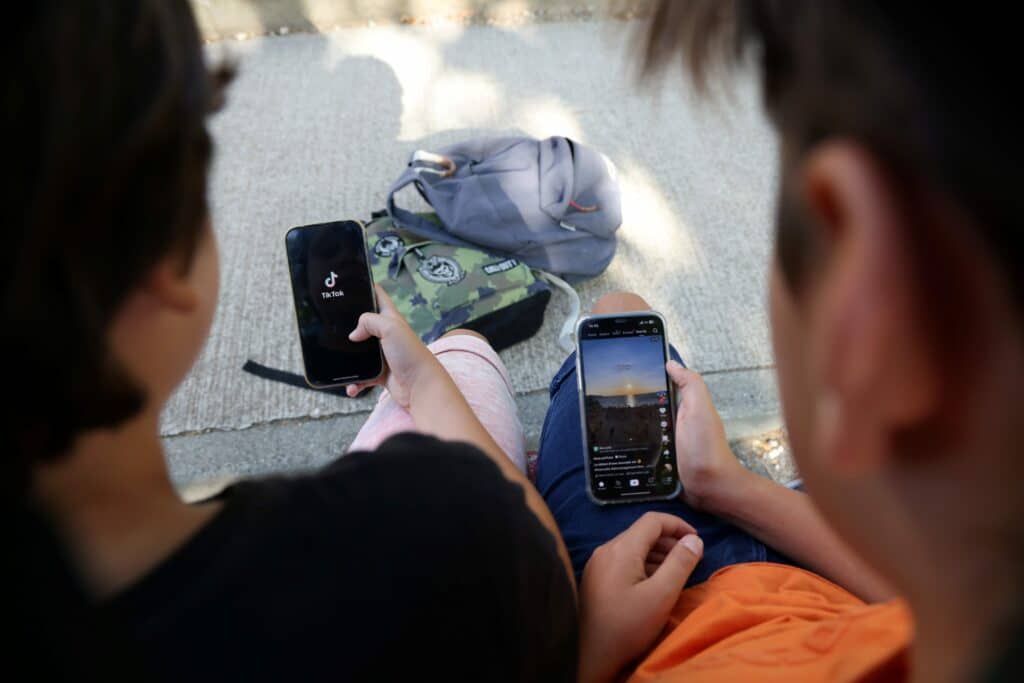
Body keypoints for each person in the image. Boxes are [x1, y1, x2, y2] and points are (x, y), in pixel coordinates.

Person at [6, 2, 576, 680]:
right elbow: (538, 556)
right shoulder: (433, 522)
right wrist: (423, 379)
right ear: (165, 254)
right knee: (463, 352)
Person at [537, 2, 1024, 681]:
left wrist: (590, 657)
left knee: (616, 315)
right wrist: (728, 485)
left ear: (867, 311)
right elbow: (927, 594)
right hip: (795, 567)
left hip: (657, 614)